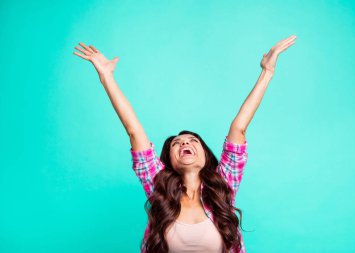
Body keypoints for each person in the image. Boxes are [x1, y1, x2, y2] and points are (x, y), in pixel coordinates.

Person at [73, 35, 297, 253]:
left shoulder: (223, 185)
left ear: (205, 155)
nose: (184, 144)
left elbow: (239, 128)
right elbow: (133, 131)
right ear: (168, 160)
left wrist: (267, 72)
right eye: (176, 144)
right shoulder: (157, 185)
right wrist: (106, 77)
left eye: (192, 141)